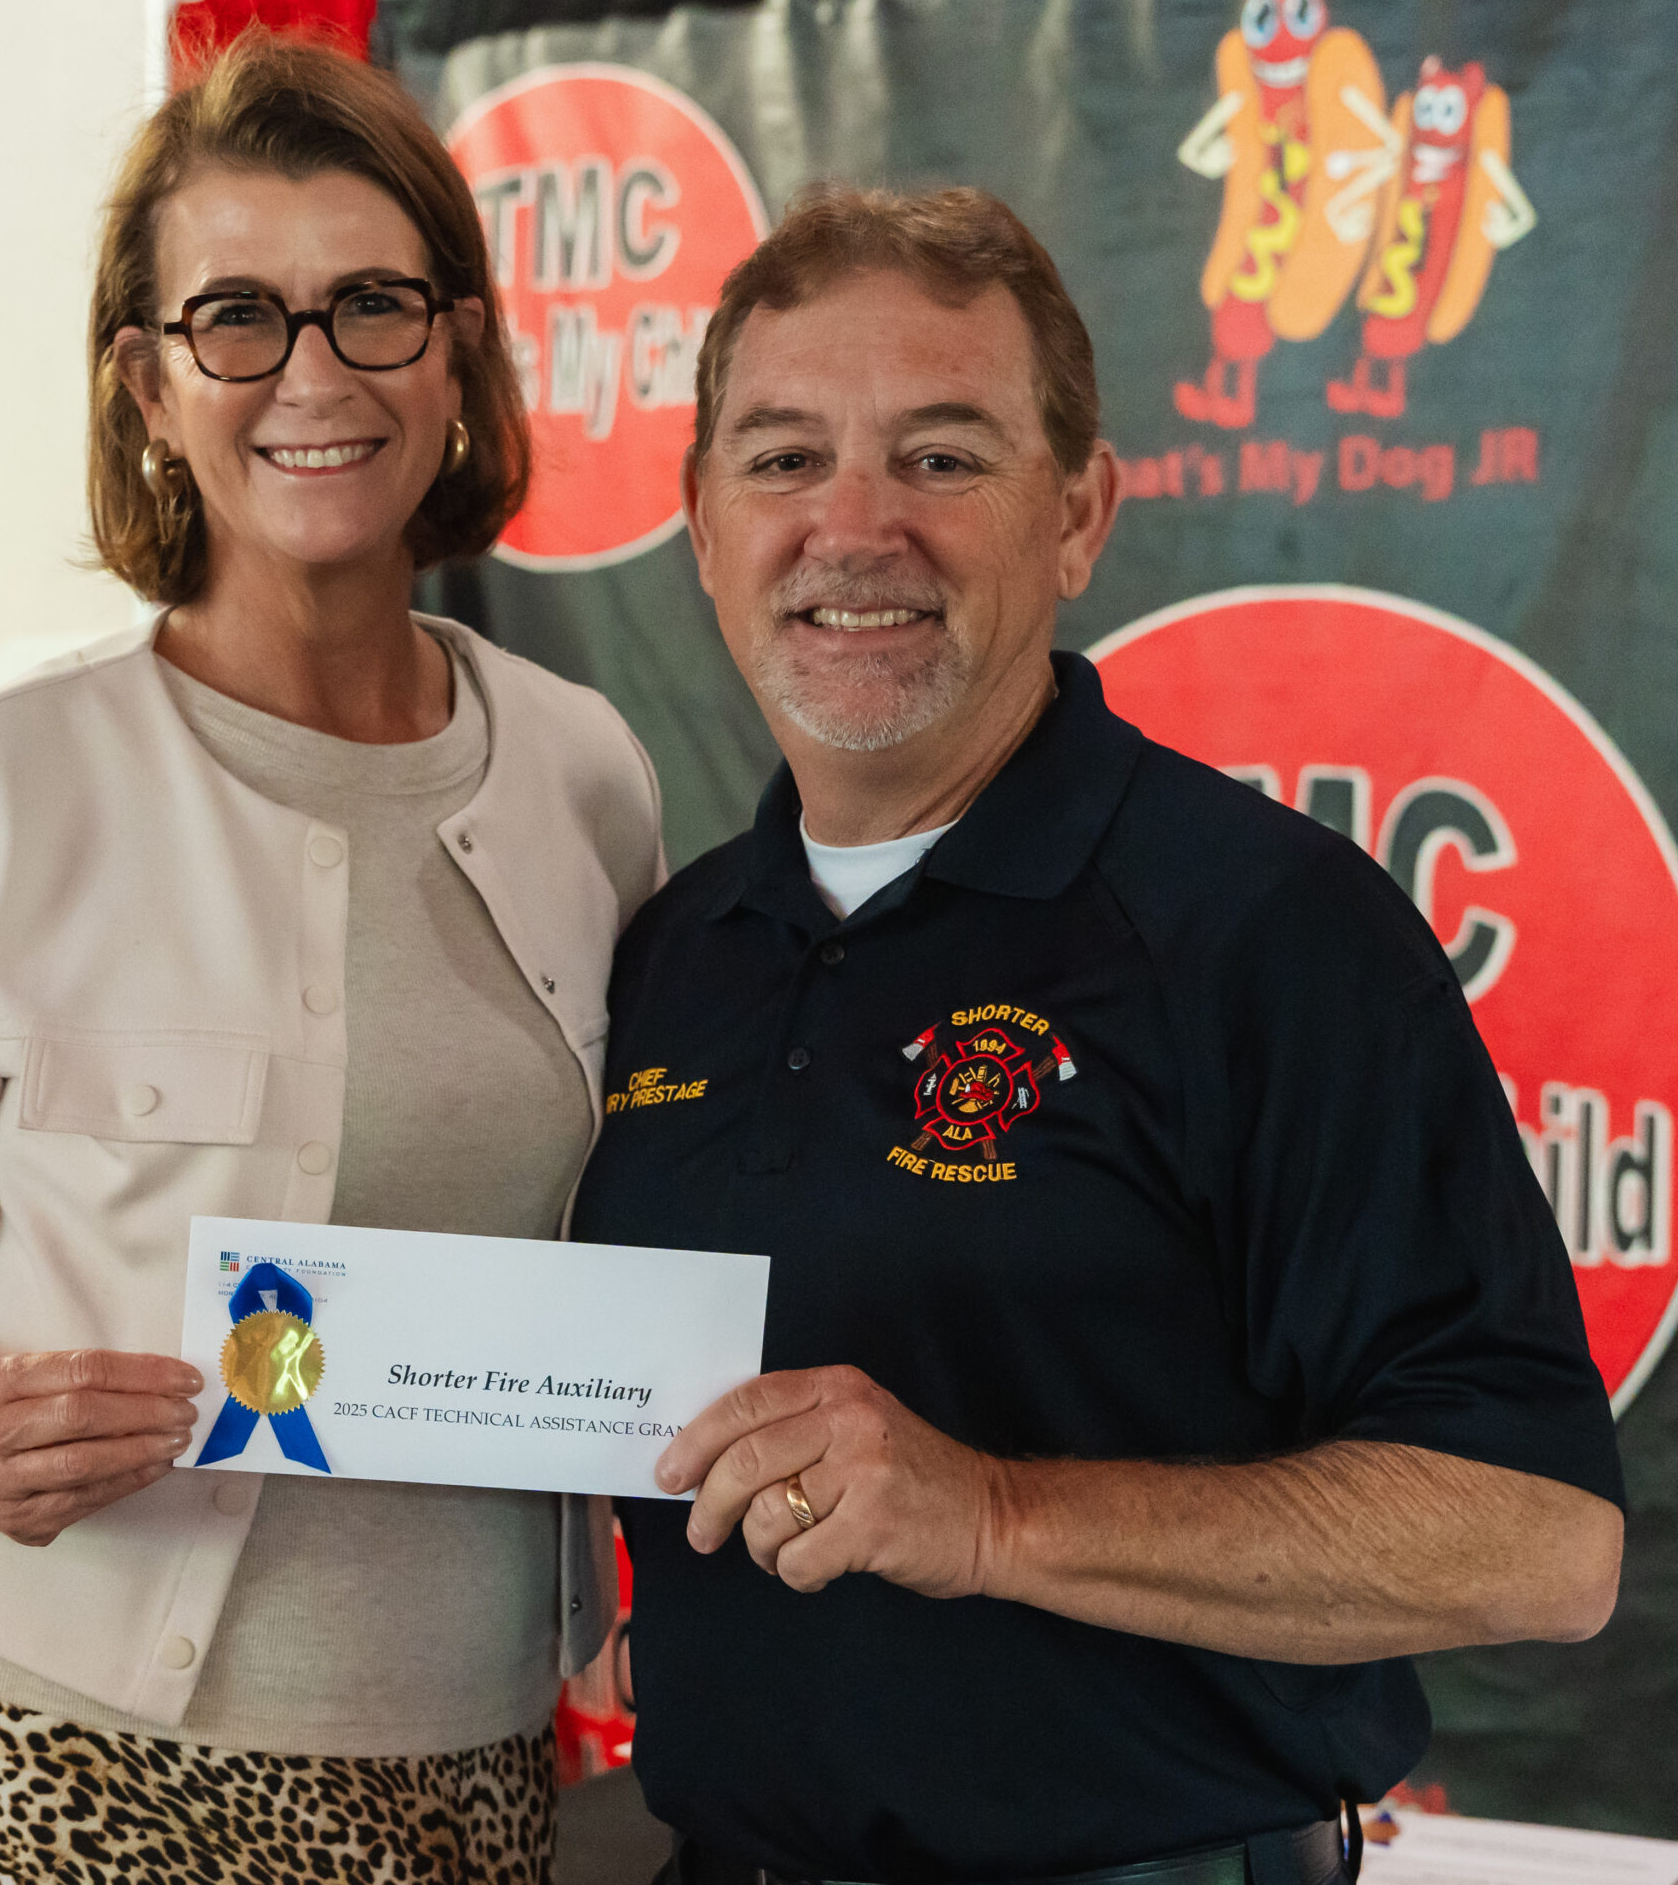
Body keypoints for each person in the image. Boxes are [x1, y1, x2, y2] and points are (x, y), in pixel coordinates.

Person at [570, 185, 1624, 1885]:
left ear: (1079, 515)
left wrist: (992, 1515)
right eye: (780, 459)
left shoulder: (1267, 932)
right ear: (700, 527)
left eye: (941, 456)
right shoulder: (675, 951)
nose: (853, 526)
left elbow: (1539, 1539)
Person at [0, 34, 661, 1884]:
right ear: (149, 384)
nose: (313, 374)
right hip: (58, 1753)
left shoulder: (589, 772)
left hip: (480, 1758)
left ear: (461, 351)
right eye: (235, 316)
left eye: (374, 307)